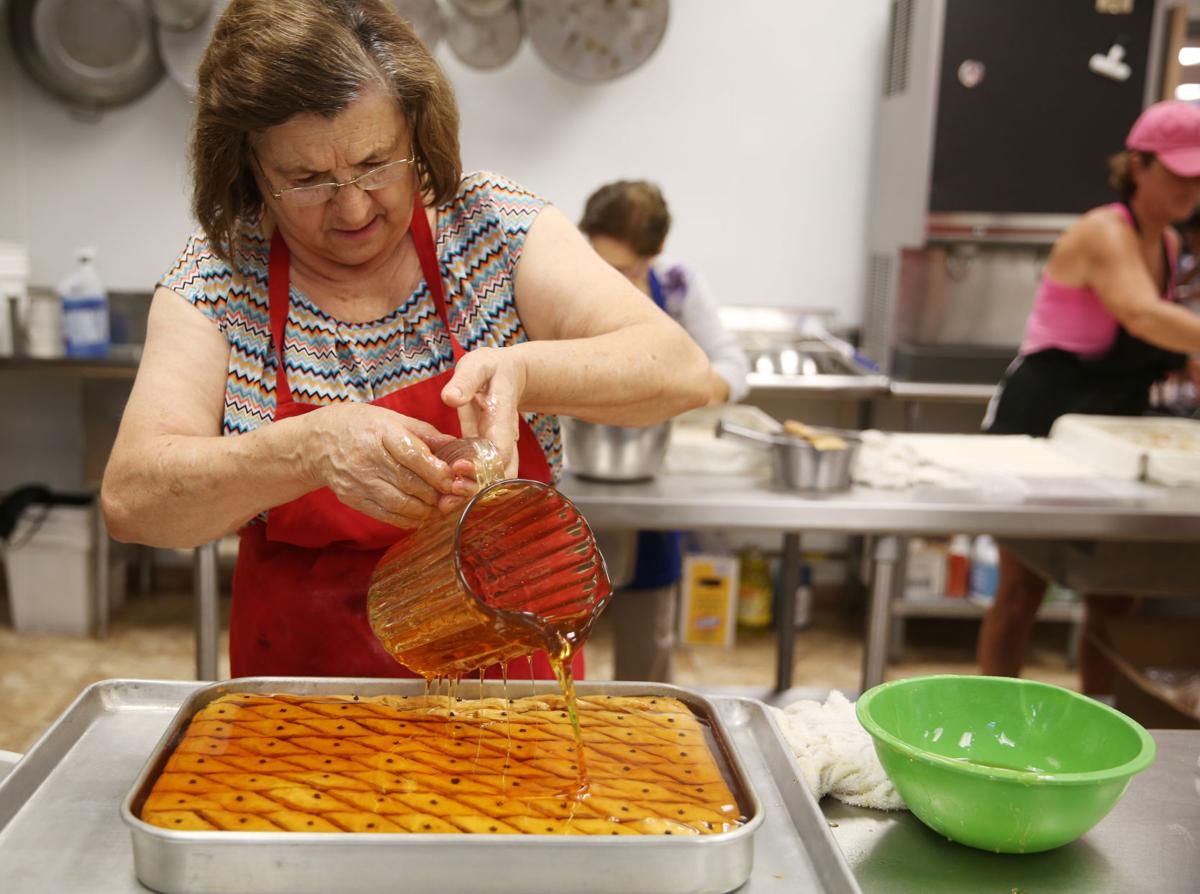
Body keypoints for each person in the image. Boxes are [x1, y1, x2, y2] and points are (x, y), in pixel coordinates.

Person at [100, 0, 711, 681]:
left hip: (509, 688)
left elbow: (682, 370)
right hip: (309, 702)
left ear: (416, 132)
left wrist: (523, 371)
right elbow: (131, 502)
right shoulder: (218, 281)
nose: (354, 206)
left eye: (375, 163)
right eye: (307, 180)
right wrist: (309, 448)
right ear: (249, 168)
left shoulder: (489, 228)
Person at [978, 100, 1200, 694]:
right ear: (1138, 165)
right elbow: (1141, 315)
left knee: (1116, 593)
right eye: (1178, 173)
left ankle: (1100, 718)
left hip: (1109, 429)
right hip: (1039, 421)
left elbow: (1167, 341)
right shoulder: (1104, 231)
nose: (1190, 188)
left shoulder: (1168, 242)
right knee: (1021, 588)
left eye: (1199, 176)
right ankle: (989, 716)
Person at [578, 180, 749, 681]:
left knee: (647, 643)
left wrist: (683, 386)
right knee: (557, 634)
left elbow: (733, 368)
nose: (612, 280)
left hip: (645, 474)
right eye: (601, 264)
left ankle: (648, 717)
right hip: (573, 474)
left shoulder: (677, 286)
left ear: (653, 255)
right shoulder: (562, 273)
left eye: (627, 270)